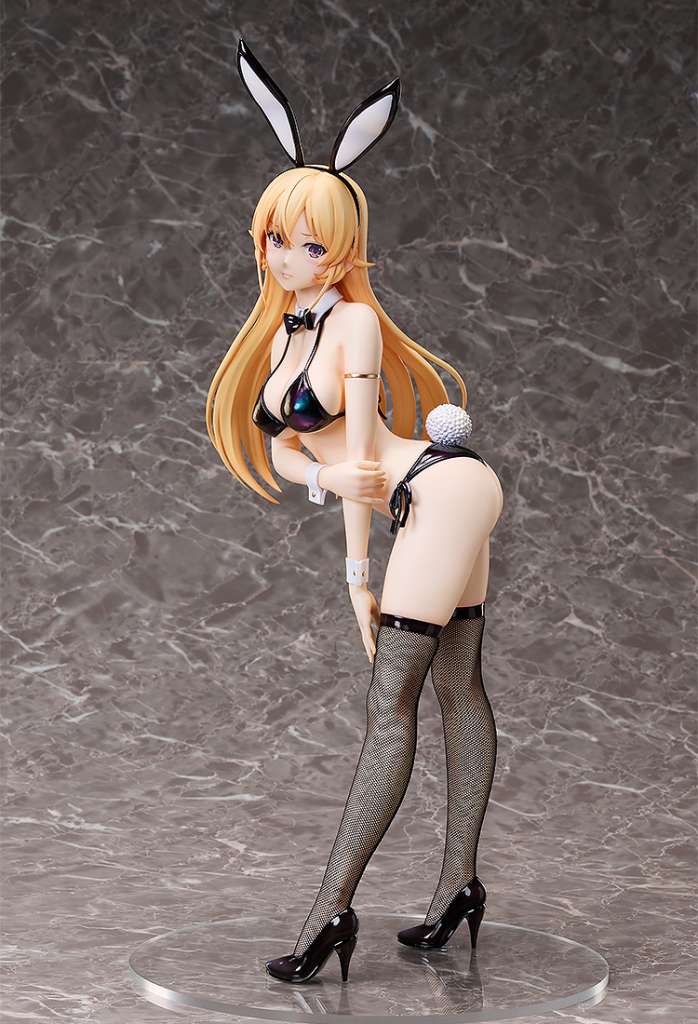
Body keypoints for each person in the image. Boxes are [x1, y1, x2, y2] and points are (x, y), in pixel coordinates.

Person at [205, 38, 504, 985]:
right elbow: (294, 451)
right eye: (276, 238)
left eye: (311, 244)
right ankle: (459, 887)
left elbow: (366, 459)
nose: (289, 257)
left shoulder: (357, 323)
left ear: (343, 250)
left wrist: (356, 568)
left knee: (391, 705)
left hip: (434, 490)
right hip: (425, 490)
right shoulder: (287, 335)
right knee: (457, 687)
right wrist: (323, 481)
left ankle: (329, 910)